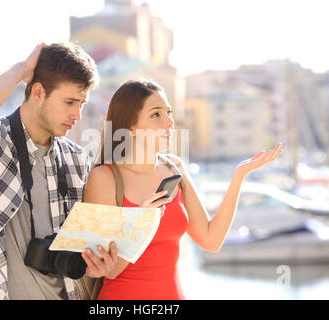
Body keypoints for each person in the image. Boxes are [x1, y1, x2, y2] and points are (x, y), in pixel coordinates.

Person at [84, 79, 284, 300]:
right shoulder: (104, 178)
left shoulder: (175, 168)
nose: (170, 122)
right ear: (131, 126)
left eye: (168, 112)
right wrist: (141, 224)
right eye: (156, 114)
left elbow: (211, 240)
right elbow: (108, 270)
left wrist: (238, 177)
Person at [0, 43, 118, 300]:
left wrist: (97, 265)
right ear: (38, 91)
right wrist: (24, 69)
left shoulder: (76, 160)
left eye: (82, 103)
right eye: (70, 101)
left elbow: (82, 247)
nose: (77, 114)